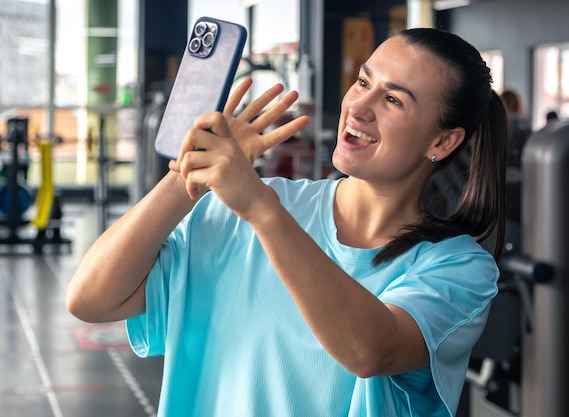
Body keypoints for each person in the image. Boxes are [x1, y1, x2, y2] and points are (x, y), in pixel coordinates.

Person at [67, 27, 508, 417]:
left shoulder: (458, 269)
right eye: (362, 82)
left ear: (443, 141)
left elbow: (369, 349)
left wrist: (260, 207)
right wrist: (190, 172)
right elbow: (90, 299)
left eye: (392, 99)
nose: (359, 107)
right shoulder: (241, 213)